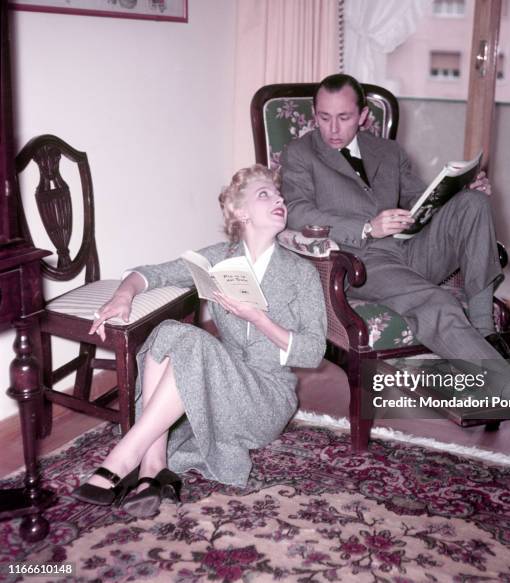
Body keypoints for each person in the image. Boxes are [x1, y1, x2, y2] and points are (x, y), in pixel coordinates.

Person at [280, 73, 510, 440]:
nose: (332, 128)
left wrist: (461, 192)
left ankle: (485, 335)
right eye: (323, 116)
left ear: (363, 115)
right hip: (360, 263)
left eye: (344, 117)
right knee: (438, 302)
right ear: (315, 114)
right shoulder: (301, 154)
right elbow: (297, 212)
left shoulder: (388, 152)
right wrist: (367, 226)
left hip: (408, 248)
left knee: (473, 205)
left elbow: (419, 201)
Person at [72, 164, 326, 517]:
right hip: (222, 388)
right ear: (240, 212)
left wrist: (259, 318)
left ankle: (124, 457)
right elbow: (153, 273)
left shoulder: (302, 273)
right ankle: (153, 468)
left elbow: (314, 352)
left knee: (191, 340)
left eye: (279, 195)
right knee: (167, 331)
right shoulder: (218, 258)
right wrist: (123, 295)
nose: (278, 199)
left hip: (267, 399)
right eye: (264, 194)